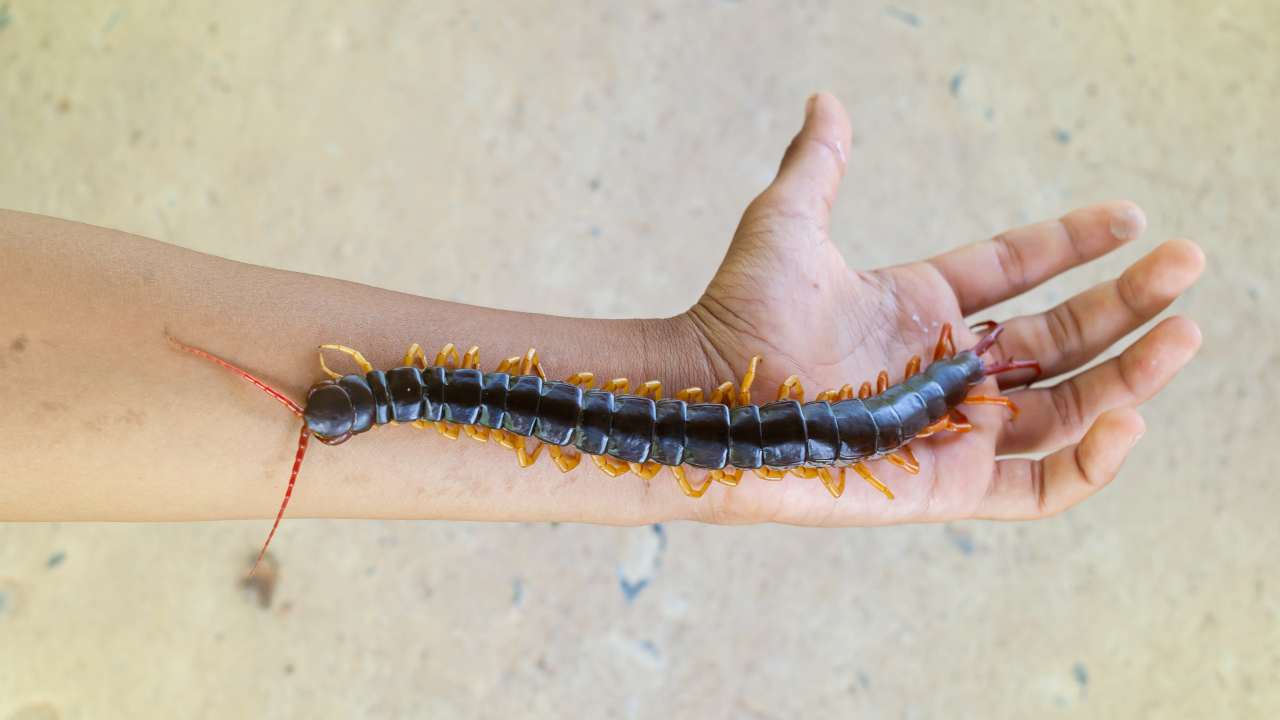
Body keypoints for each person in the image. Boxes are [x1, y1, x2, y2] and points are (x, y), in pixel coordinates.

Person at [0, 93, 1203, 535]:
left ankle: (941, 390)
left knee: (544, 411)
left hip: (883, 409)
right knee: (540, 412)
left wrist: (897, 396)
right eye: (369, 395)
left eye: (370, 399)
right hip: (865, 414)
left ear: (375, 397)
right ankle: (938, 393)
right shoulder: (400, 390)